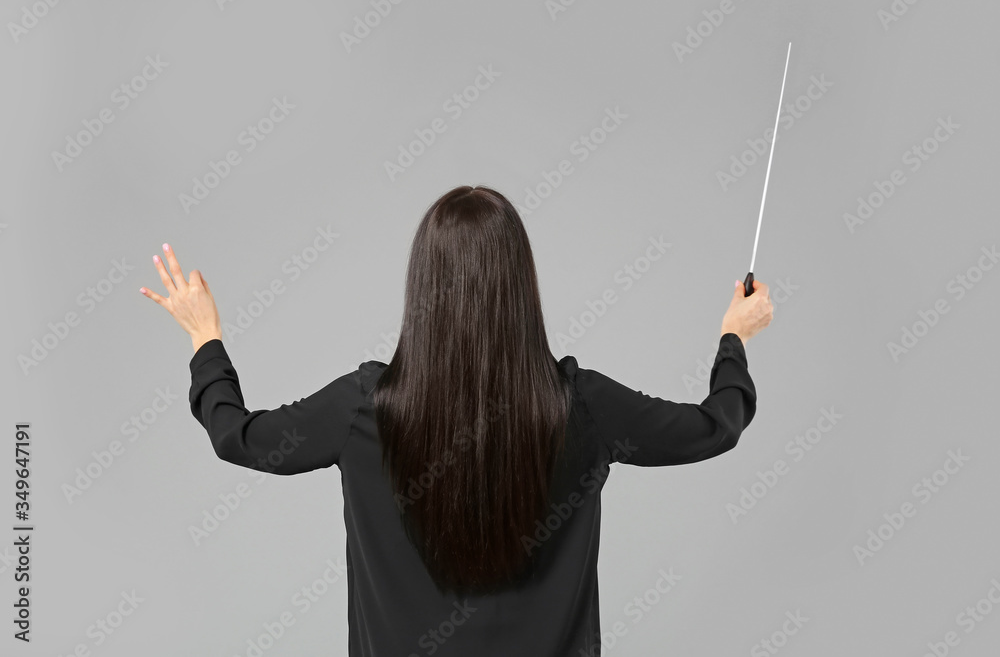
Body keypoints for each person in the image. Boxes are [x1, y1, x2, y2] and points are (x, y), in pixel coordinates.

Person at [139, 185, 773, 656]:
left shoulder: (362, 408)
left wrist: (206, 340)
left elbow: (238, 436)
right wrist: (733, 339)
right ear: (522, 285)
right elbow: (714, 427)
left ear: (423, 287)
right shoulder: (583, 406)